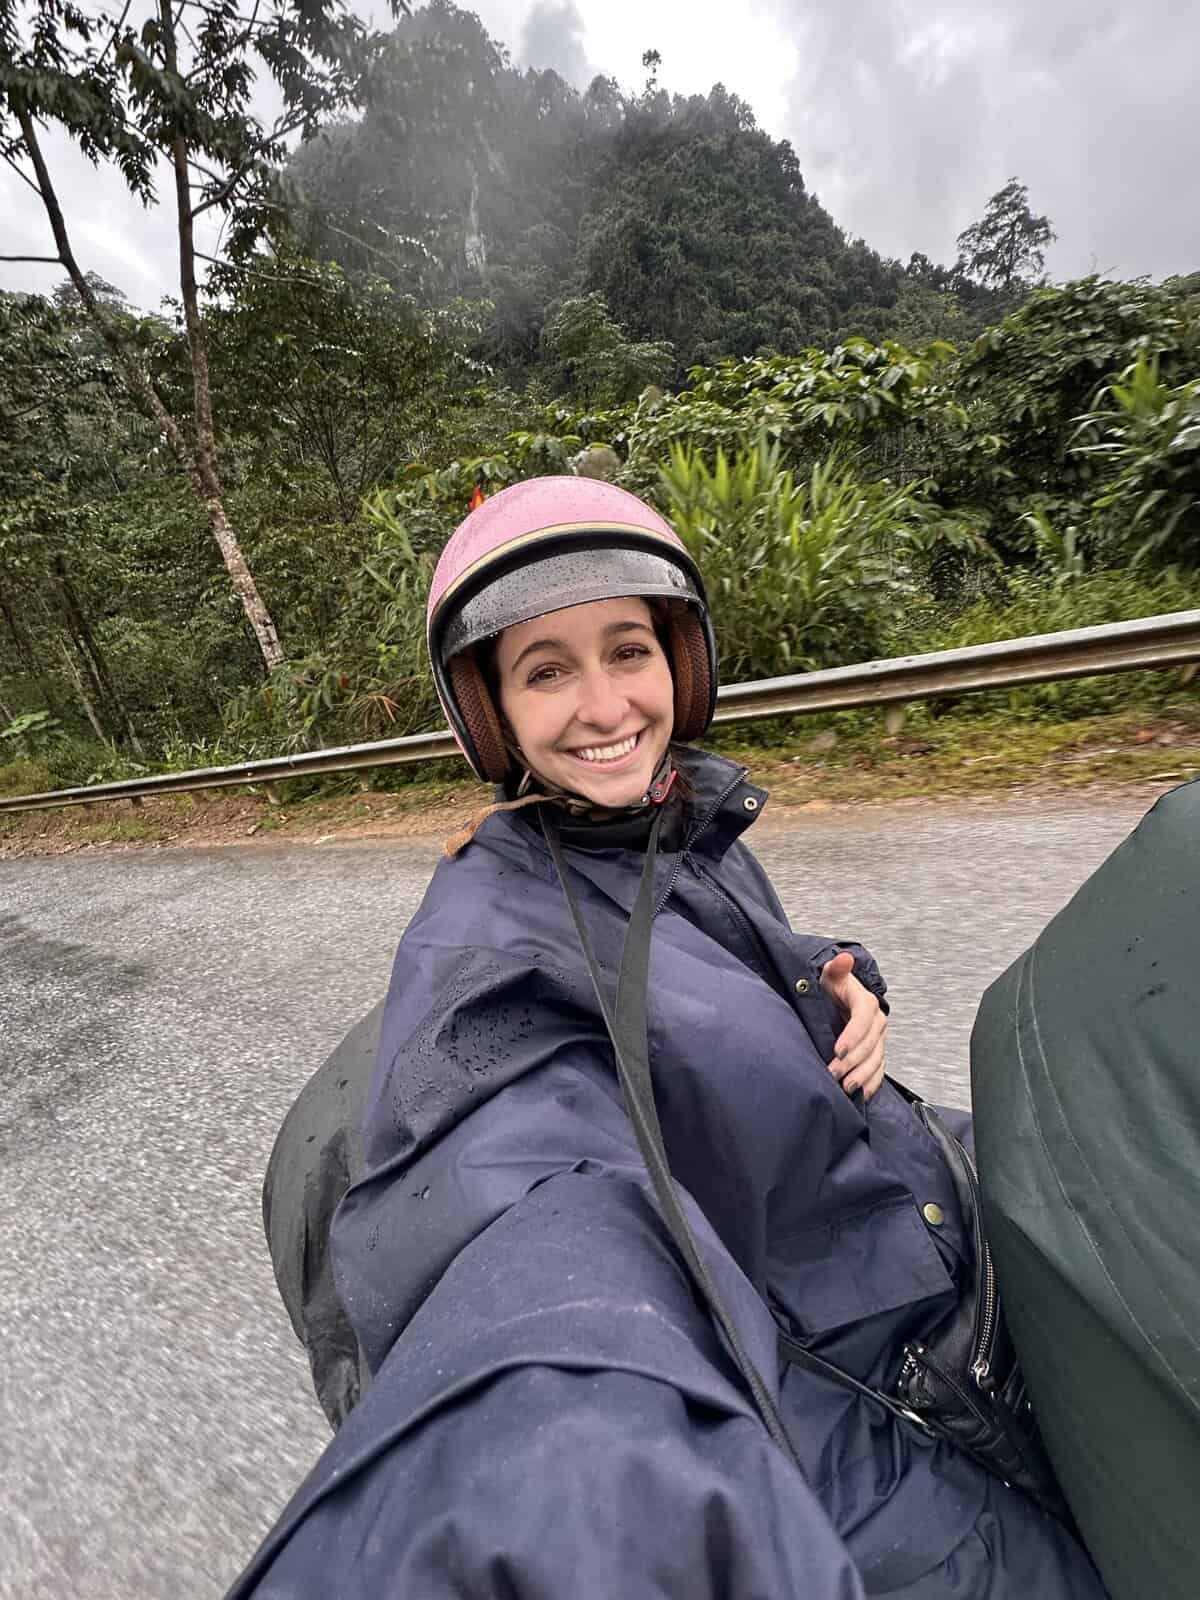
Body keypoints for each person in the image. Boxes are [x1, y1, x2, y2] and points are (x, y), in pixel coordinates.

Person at [228, 478, 1105, 1598]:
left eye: (628, 651)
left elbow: (718, 966)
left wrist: (842, 982)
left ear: (679, 662)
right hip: (832, 1396)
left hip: (932, 1229)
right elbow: (518, 1196)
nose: (605, 706)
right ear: (490, 710)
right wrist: (578, 1460)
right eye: (547, 670)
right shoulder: (482, 944)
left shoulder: (672, 828)